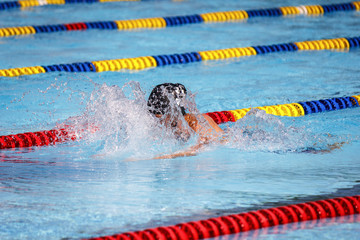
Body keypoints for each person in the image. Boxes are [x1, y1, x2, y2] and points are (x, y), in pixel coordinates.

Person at [147, 83, 223, 159]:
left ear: (173, 113)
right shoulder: (169, 124)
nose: (156, 122)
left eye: (159, 118)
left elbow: (220, 142)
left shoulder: (198, 123)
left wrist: (160, 157)